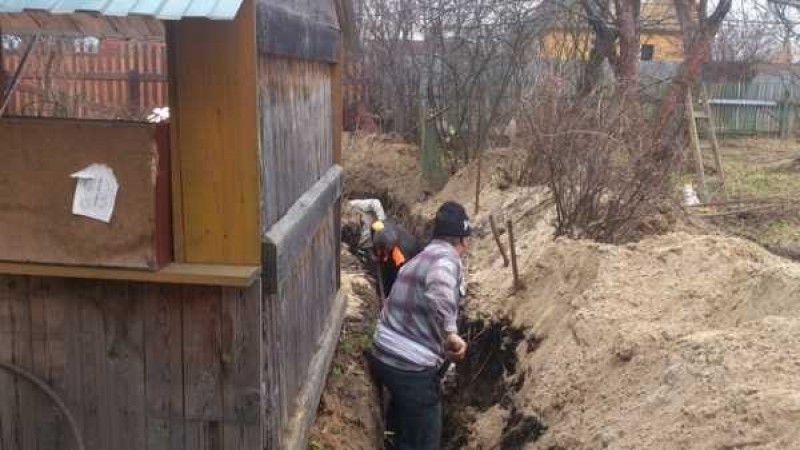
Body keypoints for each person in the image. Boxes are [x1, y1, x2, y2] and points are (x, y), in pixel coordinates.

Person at [368, 201, 471, 450]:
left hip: (382, 355)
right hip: (409, 368)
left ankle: (395, 438)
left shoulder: (419, 257)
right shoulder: (447, 260)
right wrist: (451, 334)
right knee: (425, 438)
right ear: (463, 240)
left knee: (404, 425)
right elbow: (440, 284)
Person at [370, 219, 421, 298]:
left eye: (383, 251)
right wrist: (377, 255)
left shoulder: (401, 253)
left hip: (412, 264)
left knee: (393, 279)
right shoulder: (377, 226)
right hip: (391, 250)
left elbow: (401, 275)